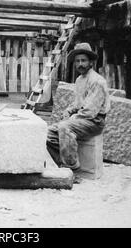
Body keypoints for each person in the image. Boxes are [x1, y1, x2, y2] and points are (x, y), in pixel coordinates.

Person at [46, 42, 110, 170]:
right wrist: (69, 111)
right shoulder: (80, 80)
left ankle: (71, 169)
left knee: (65, 127)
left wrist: (72, 118)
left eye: (84, 61)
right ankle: (62, 164)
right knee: (48, 133)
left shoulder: (97, 81)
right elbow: (78, 103)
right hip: (83, 119)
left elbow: (90, 111)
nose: (80, 64)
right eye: (77, 61)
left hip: (94, 122)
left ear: (91, 62)